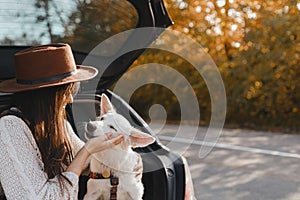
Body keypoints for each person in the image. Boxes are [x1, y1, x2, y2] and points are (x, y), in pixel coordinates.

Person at [0, 43, 140, 199]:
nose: (70, 99)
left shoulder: (59, 126)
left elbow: (87, 163)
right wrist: (87, 150)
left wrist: (131, 161)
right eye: (66, 92)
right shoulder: (10, 127)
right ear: (48, 96)